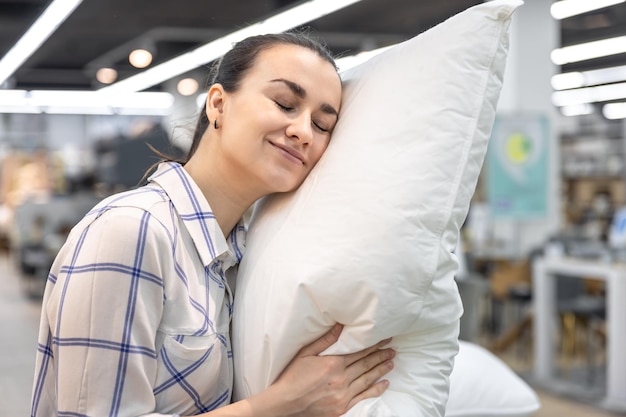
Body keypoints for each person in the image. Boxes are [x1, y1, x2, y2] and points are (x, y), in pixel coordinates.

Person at [30, 31, 395, 417]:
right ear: (219, 104)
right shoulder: (132, 232)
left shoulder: (243, 256)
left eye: (322, 126)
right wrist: (281, 404)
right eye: (286, 103)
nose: (303, 131)